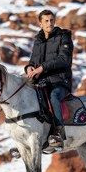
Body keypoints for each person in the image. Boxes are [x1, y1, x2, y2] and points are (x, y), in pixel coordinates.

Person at [25, 9, 73, 150]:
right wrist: (29, 68)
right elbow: (33, 61)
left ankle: (59, 133)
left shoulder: (64, 37)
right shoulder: (38, 40)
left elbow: (64, 59)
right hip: (41, 82)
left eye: (51, 20)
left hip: (60, 81)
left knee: (54, 96)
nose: (49, 23)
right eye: (46, 21)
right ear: (40, 23)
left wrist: (42, 68)